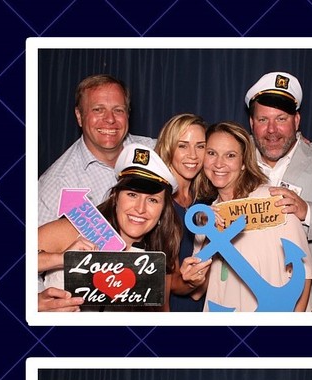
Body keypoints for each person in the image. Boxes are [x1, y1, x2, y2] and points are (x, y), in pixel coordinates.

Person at [186, 120, 311, 313]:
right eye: (211, 153)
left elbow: (305, 274)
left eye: (230, 155)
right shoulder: (206, 217)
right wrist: (208, 240)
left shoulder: (273, 201)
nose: (219, 163)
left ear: (244, 162)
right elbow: (198, 292)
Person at [38, 145, 184, 309]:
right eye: (132, 195)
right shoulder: (77, 230)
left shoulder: (156, 254)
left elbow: (161, 312)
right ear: (115, 197)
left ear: (163, 210)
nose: (140, 208)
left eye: (152, 200)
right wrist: (61, 261)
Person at [244, 70, 312, 306]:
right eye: (263, 120)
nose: (272, 130)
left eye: (281, 119)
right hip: (248, 294)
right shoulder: (235, 157)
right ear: (251, 123)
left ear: (296, 121)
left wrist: (307, 211)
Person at [37, 74, 152, 224]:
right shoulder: (56, 185)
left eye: (118, 110)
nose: (110, 119)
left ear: (128, 114)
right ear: (79, 116)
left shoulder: (156, 151)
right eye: (98, 110)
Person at [155, 113, 208, 310]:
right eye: (183, 146)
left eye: (200, 146)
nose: (193, 155)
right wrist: (191, 282)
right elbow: (172, 283)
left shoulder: (205, 199)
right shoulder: (158, 202)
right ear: (168, 147)